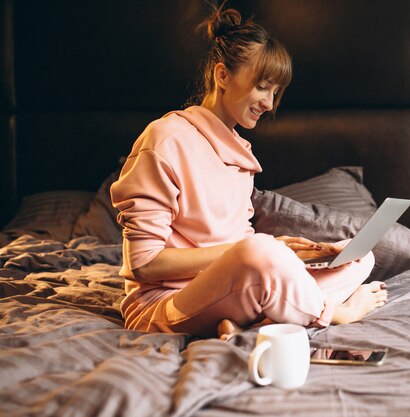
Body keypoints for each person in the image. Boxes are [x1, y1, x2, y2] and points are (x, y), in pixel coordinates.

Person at [110, 4, 387, 340]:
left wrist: (289, 251)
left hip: (235, 286)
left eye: (275, 92)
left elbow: (239, 247)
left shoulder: (240, 152)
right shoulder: (165, 139)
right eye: (262, 87)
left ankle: (251, 318)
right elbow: (146, 265)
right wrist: (260, 252)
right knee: (261, 251)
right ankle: (333, 312)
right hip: (167, 302)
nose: (269, 104)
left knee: (359, 256)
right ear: (222, 75)